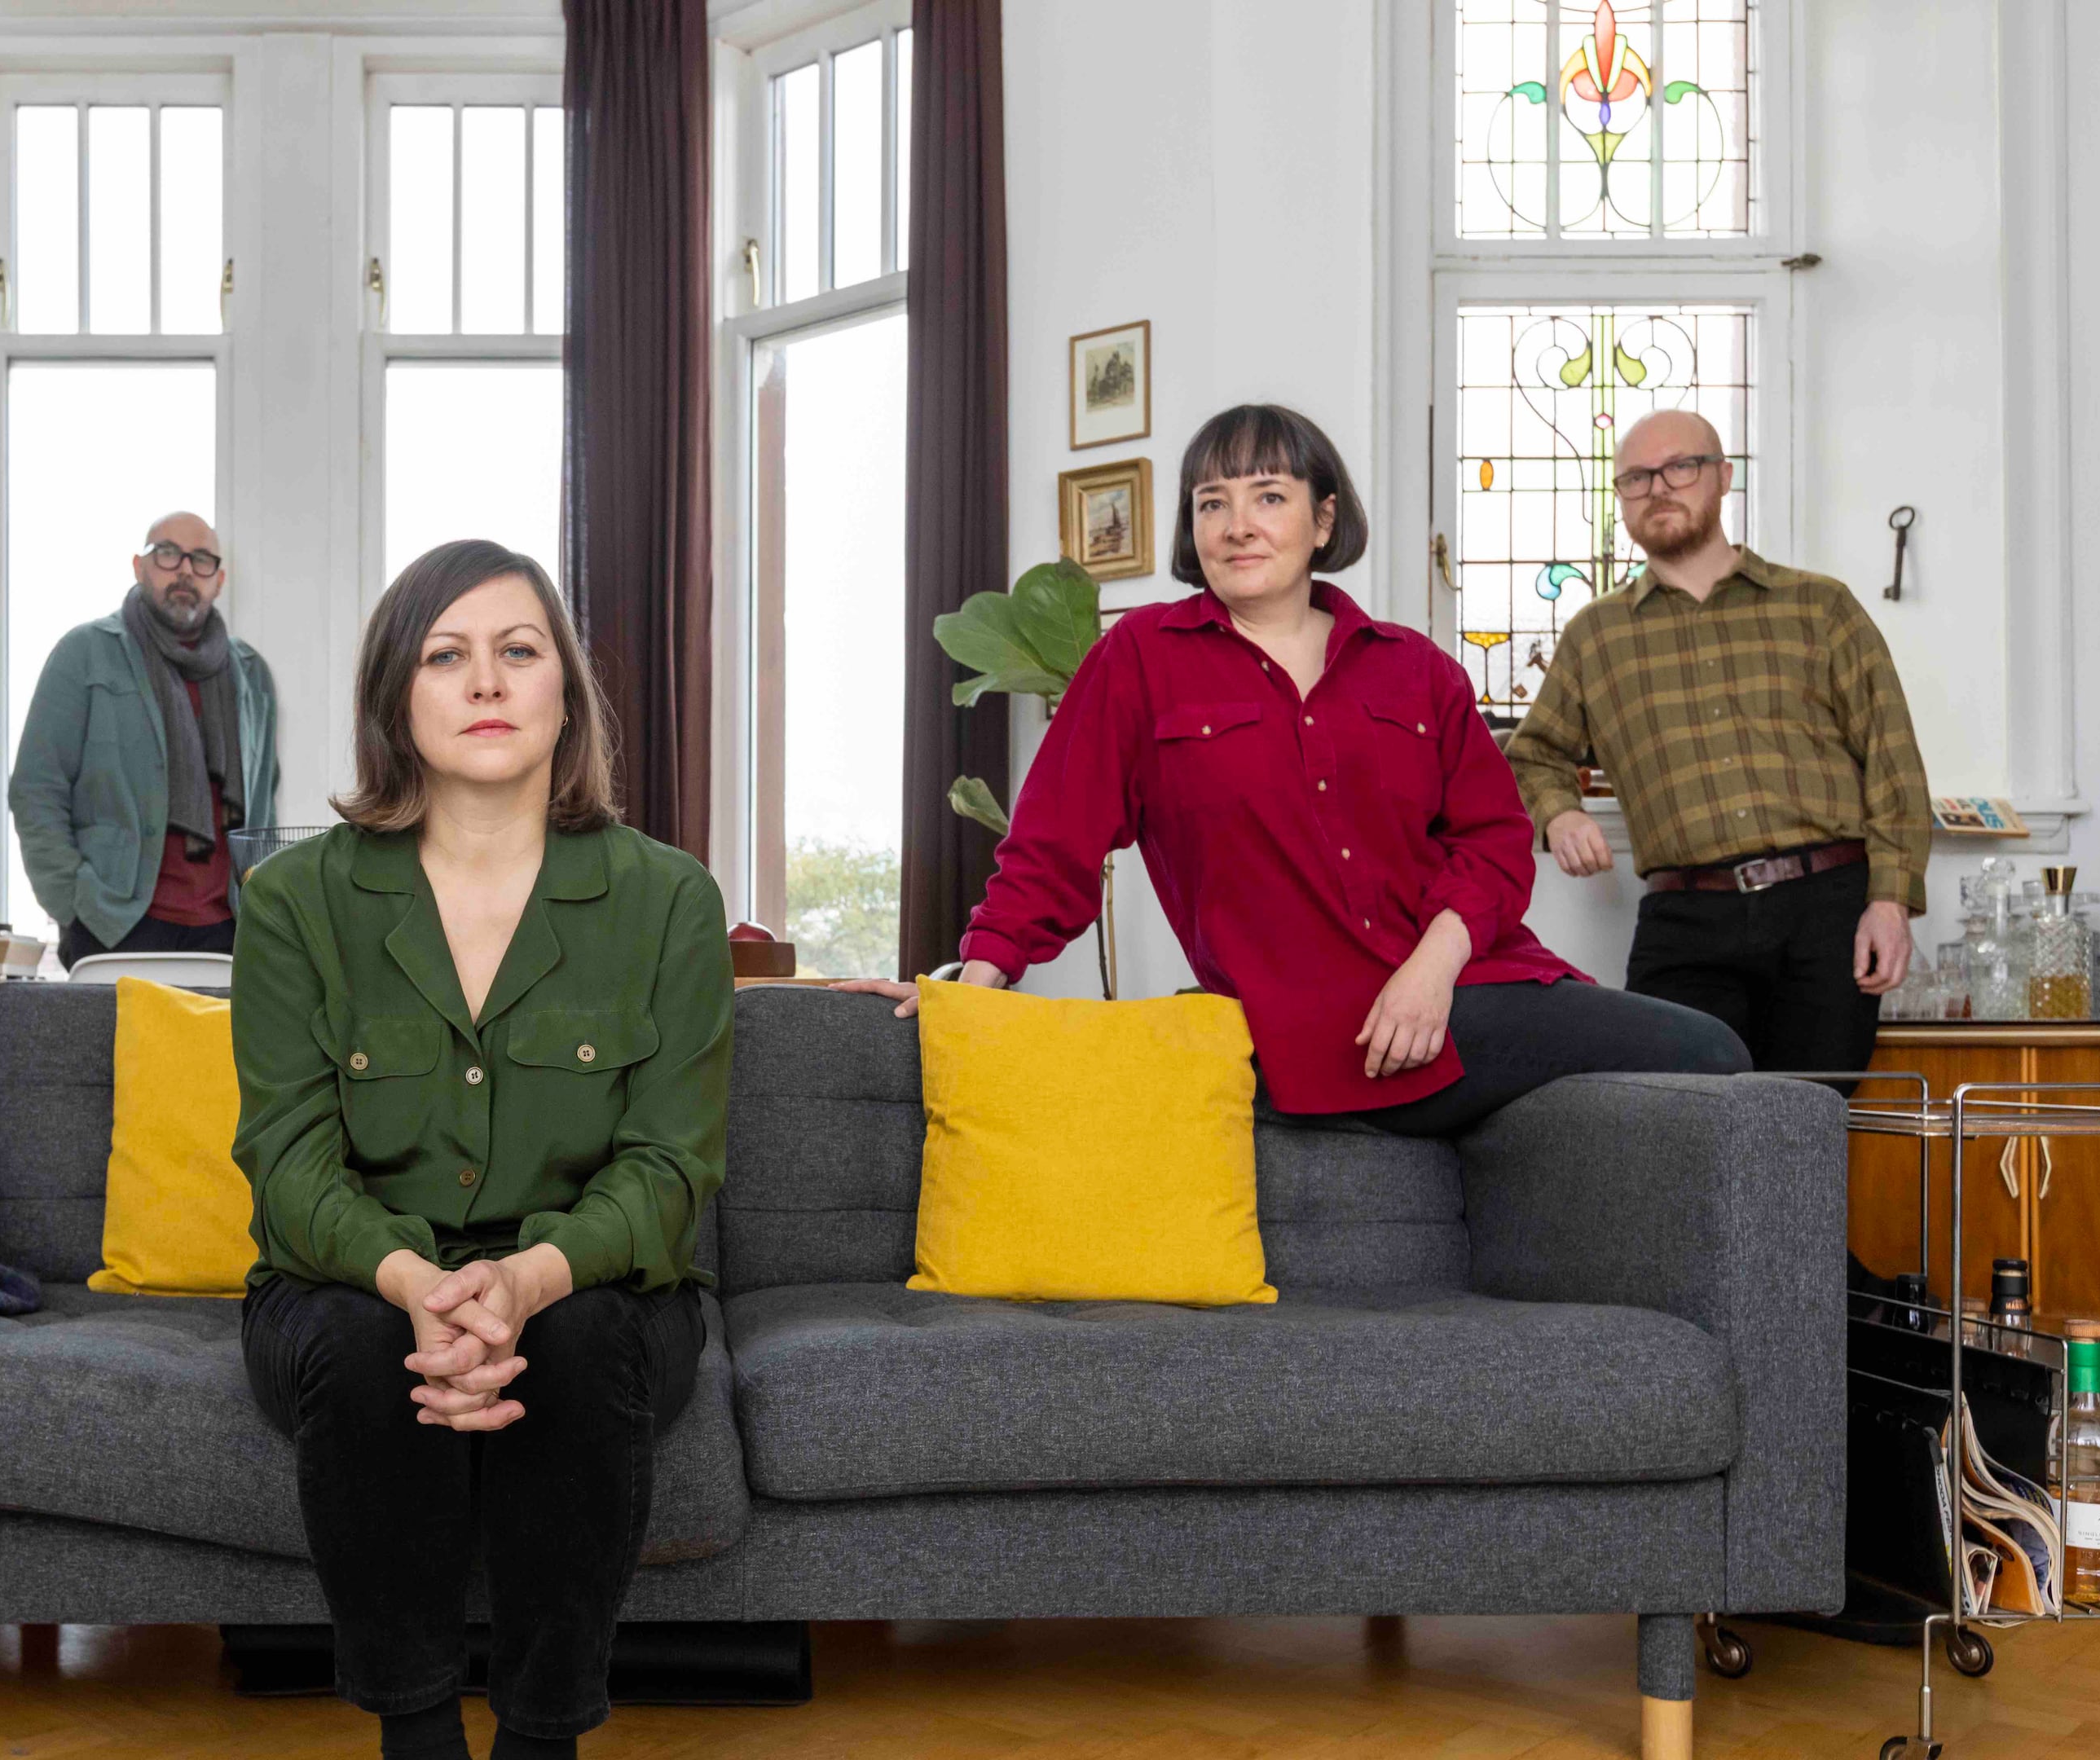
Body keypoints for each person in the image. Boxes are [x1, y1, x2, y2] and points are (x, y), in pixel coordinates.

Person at [836, 404, 1747, 1135]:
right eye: (1211, 502)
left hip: (1468, 991)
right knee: (1710, 1056)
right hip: (1305, 1028)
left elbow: (1496, 843)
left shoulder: (1416, 668)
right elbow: (1052, 846)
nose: (1237, 525)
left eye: (1268, 496)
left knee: (1710, 1056)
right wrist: (973, 981)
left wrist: (1430, 973)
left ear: (1323, 518)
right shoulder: (1142, 657)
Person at [229, 538, 729, 1760]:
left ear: (567, 692)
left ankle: (542, 1740)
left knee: (585, 1332)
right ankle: (416, 1734)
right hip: (353, 1289)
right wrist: (418, 1285)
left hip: (594, 1295)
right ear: (399, 699)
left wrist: (525, 1282)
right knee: (358, 1340)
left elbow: (671, 1171)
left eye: (520, 651)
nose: (489, 682)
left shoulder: (669, 900)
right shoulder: (296, 902)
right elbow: (289, 1163)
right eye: (448, 657)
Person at [1505, 408, 1933, 1075]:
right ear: (1620, 499)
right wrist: (1559, 812)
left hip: (1827, 909)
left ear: (1723, 477)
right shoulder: (1596, 637)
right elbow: (1533, 753)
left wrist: (1891, 900)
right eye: (1637, 478)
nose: (1659, 488)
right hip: (1685, 916)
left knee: (1808, 1122)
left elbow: (1891, 759)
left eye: (1681, 467)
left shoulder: (1821, 608)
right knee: (1675, 1121)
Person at [11, 511, 282, 966]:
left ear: (220, 580)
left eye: (201, 560)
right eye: (168, 554)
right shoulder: (85, 653)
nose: (184, 570)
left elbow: (263, 809)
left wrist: (265, 912)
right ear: (139, 567)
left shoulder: (251, 673)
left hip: (228, 932)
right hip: (115, 927)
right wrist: (75, 906)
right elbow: (37, 791)